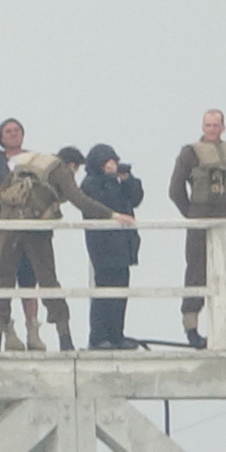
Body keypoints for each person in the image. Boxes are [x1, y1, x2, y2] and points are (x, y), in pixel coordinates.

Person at [0, 145, 132, 352]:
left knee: (2, 280)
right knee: (48, 281)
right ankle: (65, 337)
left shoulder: (25, 164)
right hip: (36, 229)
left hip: (9, 226)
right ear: (72, 164)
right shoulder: (60, 170)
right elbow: (80, 200)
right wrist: (113, 215)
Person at [169, 109, 226, 349]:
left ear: (223, 127)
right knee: (196, 273)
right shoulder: (189, 153)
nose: (212, 129)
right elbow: (175, 189)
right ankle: (192, 328)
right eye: (208, 125)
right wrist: (192, 214)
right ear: (203, 127)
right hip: (200, 217)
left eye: (216, 125)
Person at [0, 117, 47, 350]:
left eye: (17, 130)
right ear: (1, 137)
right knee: (2, 282)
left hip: (30, 231)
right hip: (2, 234)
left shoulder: (36, 161)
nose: (13, 134)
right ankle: (7, 331)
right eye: (8, 131)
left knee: (29, 282)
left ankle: (33, 331)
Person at [83, 144, 143, 349]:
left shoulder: (117, 181)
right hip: (103, 246)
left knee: (120, 291)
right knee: (104, 292)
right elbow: (103, 203)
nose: (113, 165)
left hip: (123, 246)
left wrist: (128, 179)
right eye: (109, 161)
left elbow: (135, 199)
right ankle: (99, 337)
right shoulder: (91, 183)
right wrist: (110, 179)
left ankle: (116, 335)